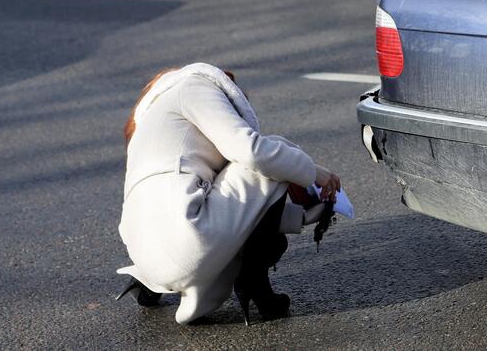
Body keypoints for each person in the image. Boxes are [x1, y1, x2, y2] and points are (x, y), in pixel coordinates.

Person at [114, 63, 341, 325]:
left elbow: (230, 207)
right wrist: (313, 172)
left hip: (144, 254)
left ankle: (151, 285)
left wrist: (299, 217)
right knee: (274, 153)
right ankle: (255, 283)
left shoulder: (151, 122)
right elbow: (250, 151)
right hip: (188, 241)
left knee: (266, 162)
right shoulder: (194, 85)